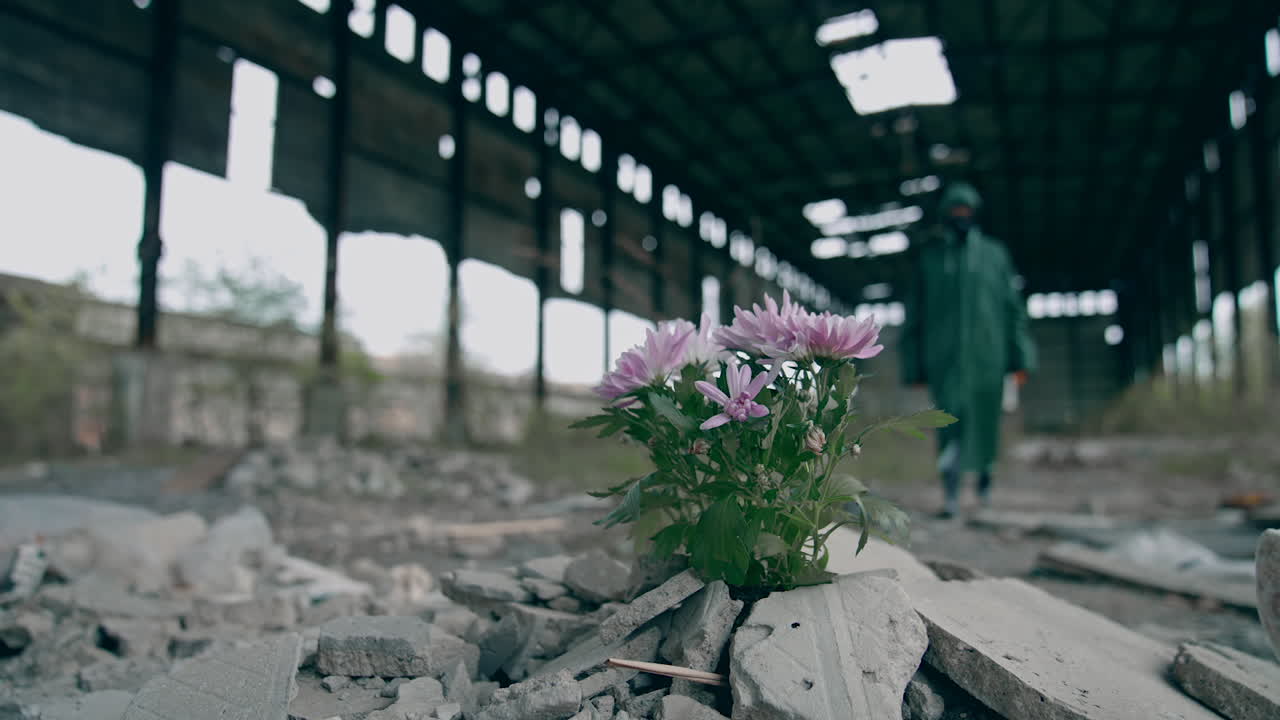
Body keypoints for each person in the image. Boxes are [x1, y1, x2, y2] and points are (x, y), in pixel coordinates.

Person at [900, 181, 1036, 518]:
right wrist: (913, 366)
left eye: (967, 212)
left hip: (988, 358)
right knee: (948, 424)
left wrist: (1021, 358)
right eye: (954, 212)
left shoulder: (995, 255)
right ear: (945, 215)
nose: (961, 217)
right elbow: (914, 315)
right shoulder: (930, 261)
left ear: (975, 215)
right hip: (944, 360)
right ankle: (950, 493)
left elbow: (1013, 310)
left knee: (986, 423)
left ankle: (985, 488)